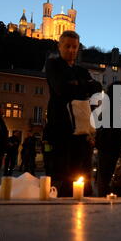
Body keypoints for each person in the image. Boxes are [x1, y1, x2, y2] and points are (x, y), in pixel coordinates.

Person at [45, 30, 102, 197]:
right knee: (62, 174)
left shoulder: (81, 71)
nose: (71, 50)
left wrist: (77, 84)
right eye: (67, 46)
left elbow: (97, 89)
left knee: (83, 174)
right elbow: (61, 88)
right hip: (60, 128)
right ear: (59, 46)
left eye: (74, 47)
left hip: (81, 130)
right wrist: (84, 86)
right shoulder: (53, 64)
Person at [95, 81, 121, 196]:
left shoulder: (105, 111)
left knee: (104, 186)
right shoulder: (115, 114)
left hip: (105, 154)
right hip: (113, 156)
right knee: (109, 189)